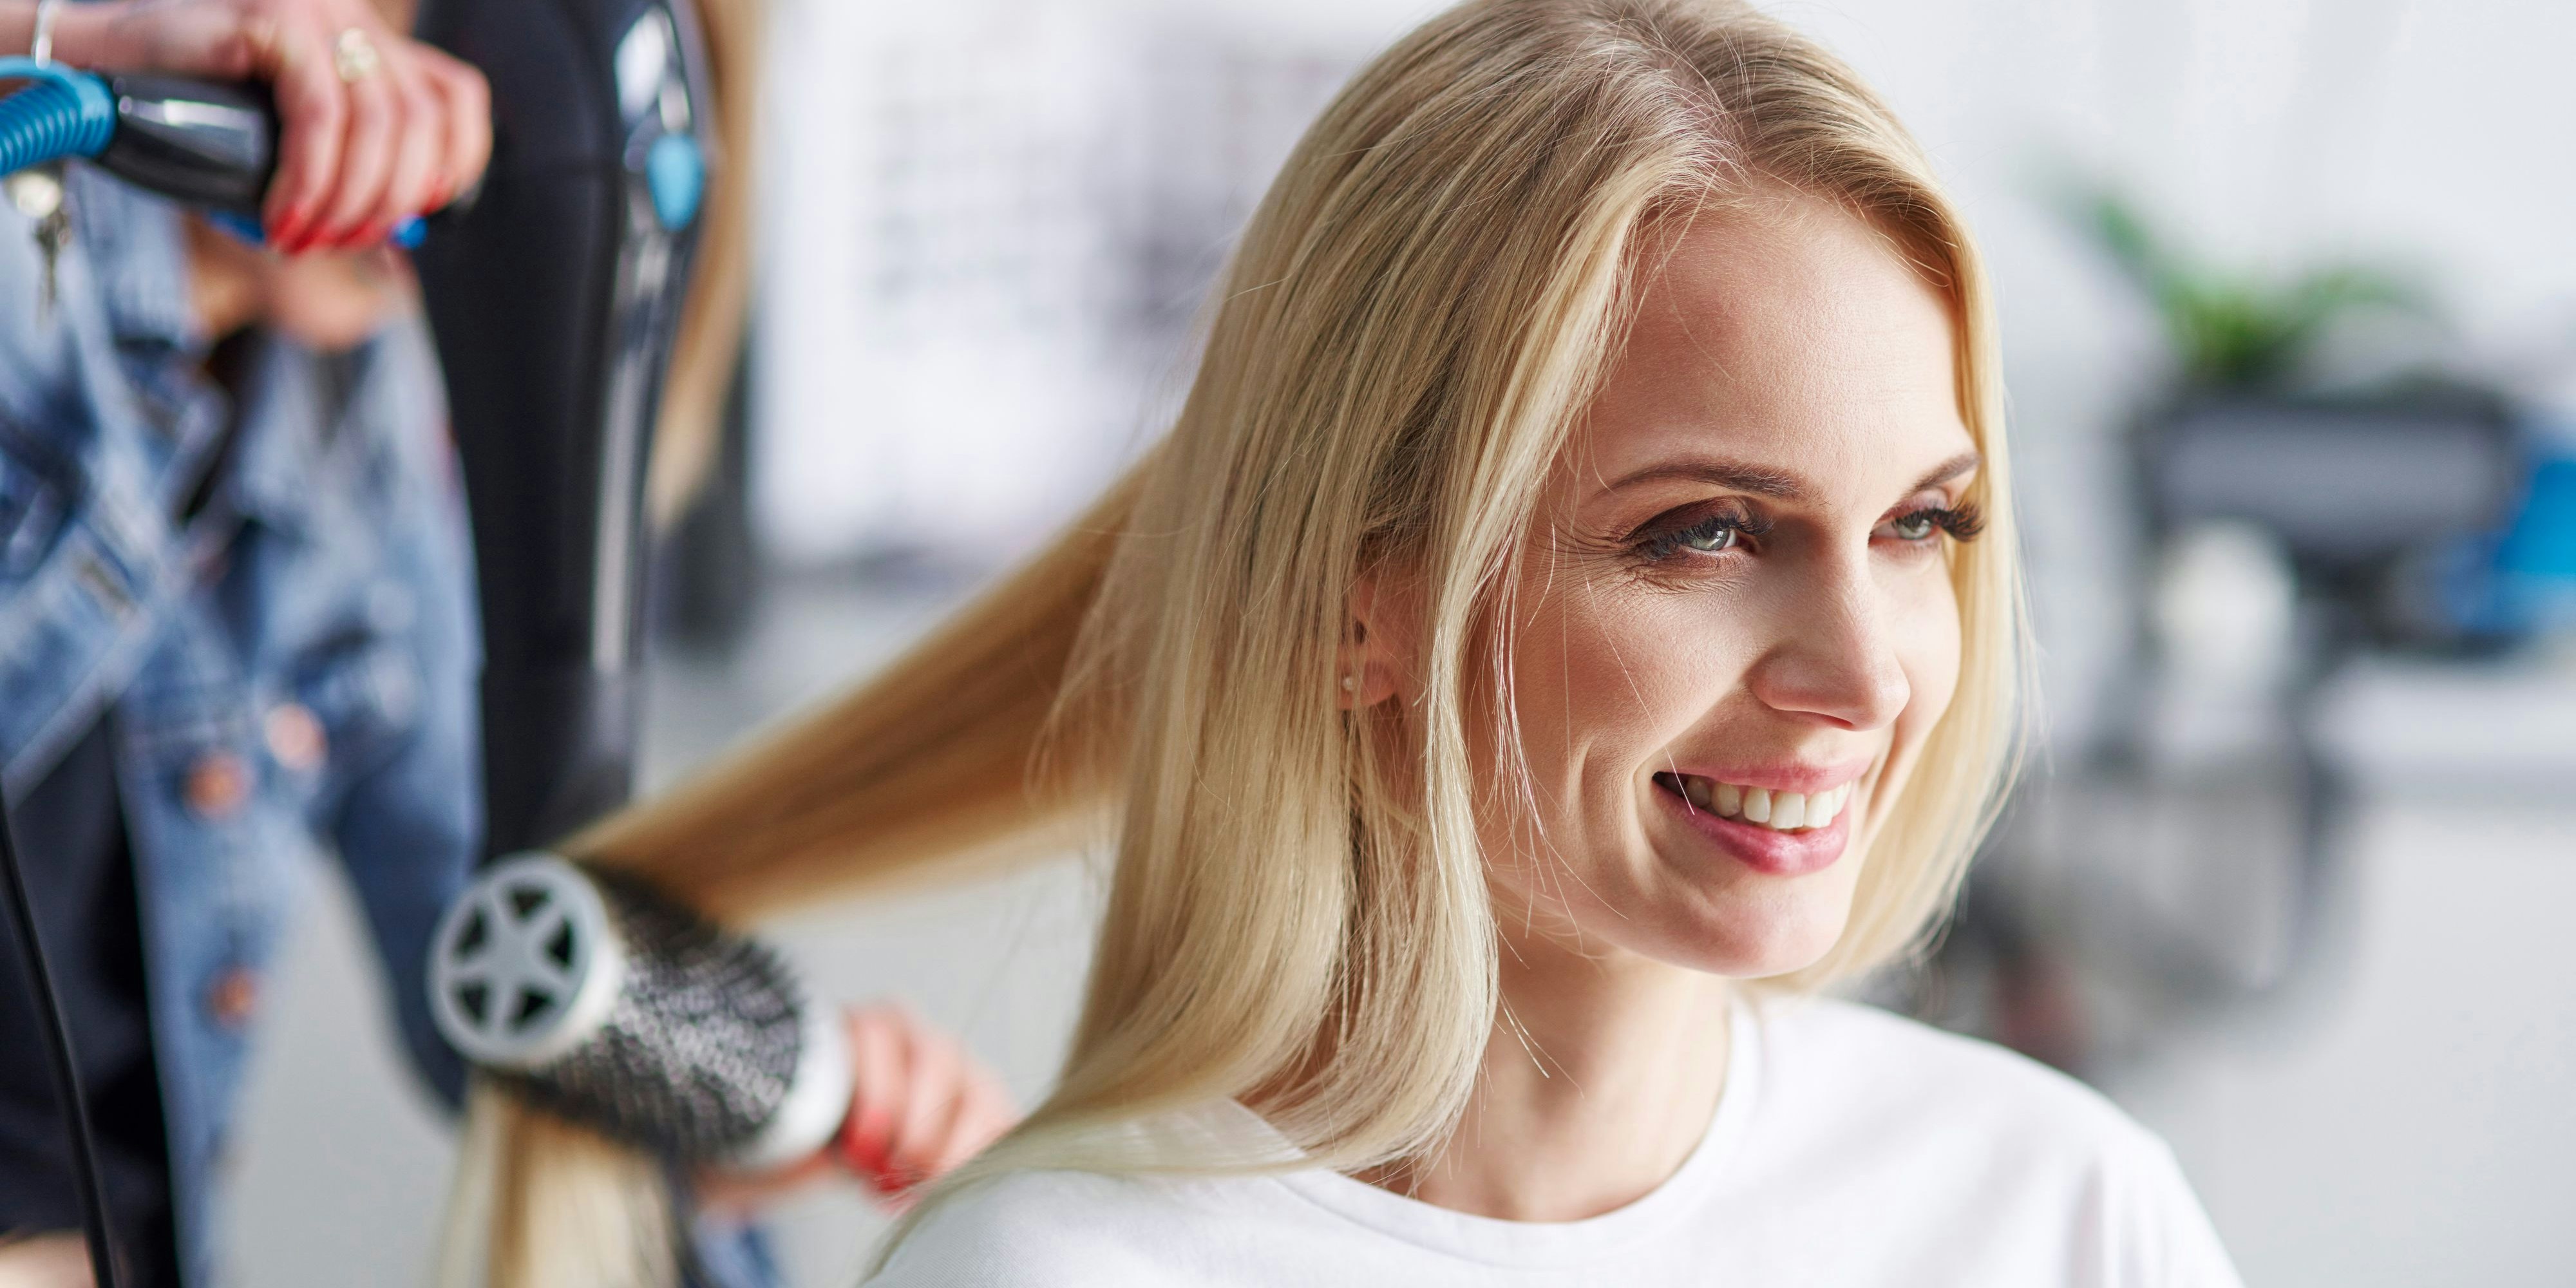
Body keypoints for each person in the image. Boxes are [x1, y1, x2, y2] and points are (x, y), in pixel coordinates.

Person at [447, 1, 2244, 1285]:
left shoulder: (2064, 1215)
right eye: (1708, 532)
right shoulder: (1053, 1272)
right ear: (1352, 603)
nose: (1867, 677)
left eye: (1921, 524)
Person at [0, 3, 1006, 1284]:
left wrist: (747, 1094)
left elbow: (494, 965)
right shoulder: (36, 189)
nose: (463, 126)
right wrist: (74, 33)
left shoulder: (354, 449)